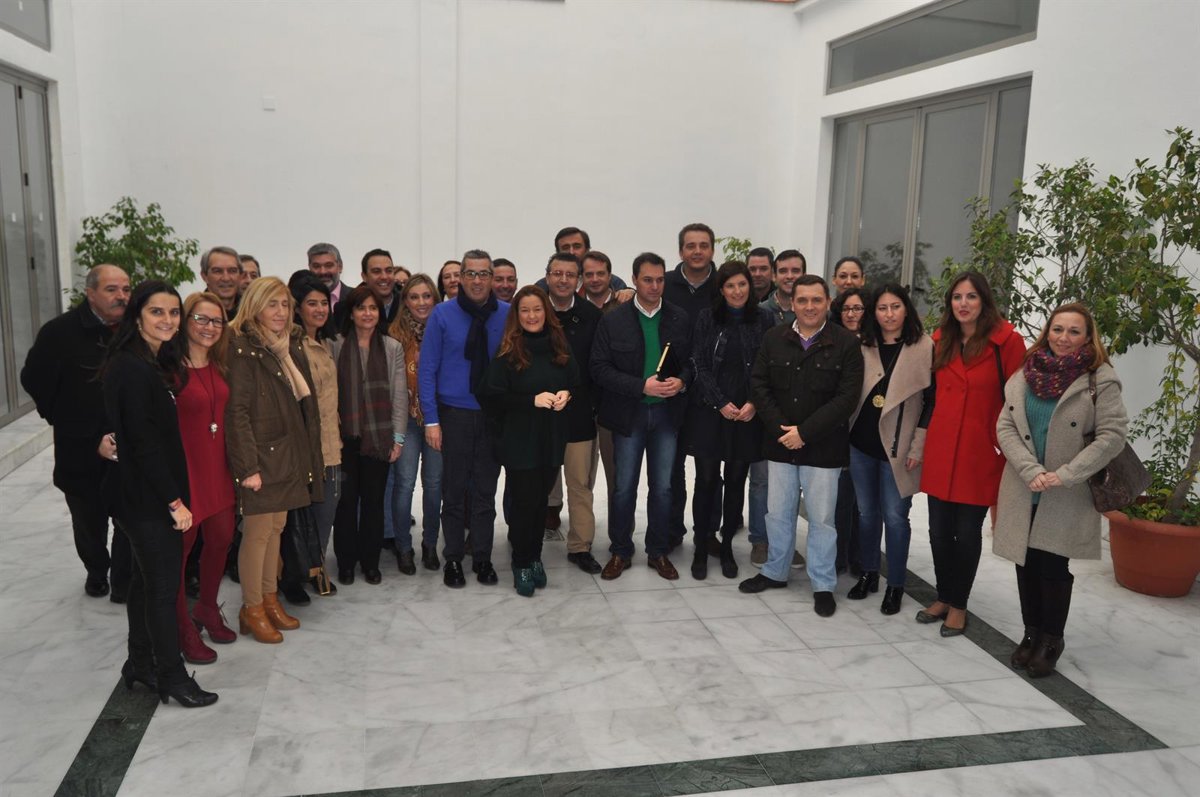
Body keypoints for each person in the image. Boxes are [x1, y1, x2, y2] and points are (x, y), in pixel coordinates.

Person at [995, 303, 1128, 677]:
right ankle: (1031, 632)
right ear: (1047, 332)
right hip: (1024, 484)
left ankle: (1051, 640)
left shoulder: (1099, 379)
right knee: (1025, 561)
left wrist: (1066, 475)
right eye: (1057, 329)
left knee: (1052, 565)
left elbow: (1112, 436)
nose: (1064, 338)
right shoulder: (1026, 371)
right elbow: (1005, 425)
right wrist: (1030, 469)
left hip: (1066, 489)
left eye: (1073, 331)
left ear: (1088, 337)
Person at [101, 280, 216, 707]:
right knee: (164, 592)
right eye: (156, 312)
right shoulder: (132, 368)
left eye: (172, 312)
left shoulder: (148, 361)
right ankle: (173, 677)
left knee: (144, 584)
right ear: (137, 316)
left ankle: (140, 663)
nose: (167, 320)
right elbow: (144, 444)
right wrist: (175, 502)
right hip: (147, 500)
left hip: (140, 496)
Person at [739, 275, 864, 619]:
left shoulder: (845, 343)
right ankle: (775, 571)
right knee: (777, 512)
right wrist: (784, 430)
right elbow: (759, 385)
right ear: (792, 303)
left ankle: (822, 584)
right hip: (780, 443)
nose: (810, 307)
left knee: (822, 519)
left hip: (824, 447)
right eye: (803, 300)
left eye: (816, 300)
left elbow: (846, 398)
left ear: (828, 303)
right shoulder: (774, 338)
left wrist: (804, 433)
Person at [917, 271, 1025, 636]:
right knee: (937, 531)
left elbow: (1019, 400)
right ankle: (943, 596)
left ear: (984, 301)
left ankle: (959, 604)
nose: (963, 304)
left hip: (981, 451)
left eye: (971, 297)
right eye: (957, 297)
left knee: (966, 533)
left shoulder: (1006, 342)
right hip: (942, 447)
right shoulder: (940, 340)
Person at [20, 264, 132, 601]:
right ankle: (97, 571)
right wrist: (62, 418)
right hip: (79, 446)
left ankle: (124, 577)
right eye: (112, 289)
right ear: (90, 293)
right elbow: (34, 379)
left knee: (129, 515)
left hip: (127, 443)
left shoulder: (134, 329)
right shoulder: (59, 332)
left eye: (126, 289)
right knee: (88, 518)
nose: (121, 296)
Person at [226, 277, 324, 644]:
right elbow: (236, 413)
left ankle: (269, 599)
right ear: (254, 306)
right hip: (261, 460)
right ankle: (251, 608)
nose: (281, 312)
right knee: (257, 534)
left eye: (285, 304)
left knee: (276, 529)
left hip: (285, 455)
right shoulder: (241, 348)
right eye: (272, 304)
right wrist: (247, 467)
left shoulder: (283, 345)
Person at [591, 252, 692, 581]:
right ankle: (620, 551)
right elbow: (599, 368)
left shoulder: (678, 318)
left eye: (660, 280)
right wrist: (640, 386)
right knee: (623, 488)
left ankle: (658, 551)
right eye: (647, 280)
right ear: (634, 280)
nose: (655, 286)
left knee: (662, 488)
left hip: (666, 415)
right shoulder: (614, 320)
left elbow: (692, 362)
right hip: (628, 415)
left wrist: (683, 381)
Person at [419, 250, 508, 587]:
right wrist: (431, 420)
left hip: (492, 415)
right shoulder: (442, 315)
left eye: (483, 274)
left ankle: (483, 558)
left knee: (485, 492)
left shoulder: (507, 314)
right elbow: (427, 369)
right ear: (460, 278)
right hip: (453, 415)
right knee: (453, 492)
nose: (476, 280)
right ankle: (453, 558)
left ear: (492, 278)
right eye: (470, 274)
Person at [482, 286, 579, 595]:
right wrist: (530, 401)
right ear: (516, 315)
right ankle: (521, 562)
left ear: (546, 312)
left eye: (537, 309)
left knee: (540, 504)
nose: (532, 315)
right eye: (525, 310)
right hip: (519, 441)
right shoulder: (508, 351)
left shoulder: (559, 345)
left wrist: (566, 394)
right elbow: (491, 397)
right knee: (524, 504)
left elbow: (574, 380)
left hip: (551, 438)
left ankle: (534, 557)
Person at [844, 284, 933, 615]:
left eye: (895, 306)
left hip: (899, 447)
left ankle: (895, 584)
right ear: (874, 313)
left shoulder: (923, 347)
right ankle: (869, 573)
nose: (889, 314)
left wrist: (918, 447)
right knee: (867, 514)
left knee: (896, 518)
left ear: (906, 309)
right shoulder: (863, 345)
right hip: (861, 445)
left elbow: (931, 402)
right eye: (882, 308)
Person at [686, 261, 774, 580]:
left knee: (737, 481)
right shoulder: (707, 317)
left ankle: (726, 550)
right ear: (721, 290)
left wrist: (753, 403)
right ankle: (700, 546)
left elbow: (768, 366)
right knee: (707, 480)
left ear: (750, 286)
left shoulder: (764, 318)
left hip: (747, 413)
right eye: (730, 286)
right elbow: (698, 363)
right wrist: (720, 401)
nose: (737, 291)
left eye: (742, 284)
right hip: (711, 411)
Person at [174, 292, 238, 664]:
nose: (209, 327)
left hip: (219, 469)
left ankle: (208, 608)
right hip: (186, 473)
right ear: (185, 321)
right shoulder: (169, 370)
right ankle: (183, 627)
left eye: (216, 321)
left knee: (221, 539)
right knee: (181, 553)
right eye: (201, 319)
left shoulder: (221, 364)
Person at [330, 286, 407, 585]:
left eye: (373, 308)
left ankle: (371, 563)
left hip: (379, 438)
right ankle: (346, 562)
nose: (367, 313)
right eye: (361, 308)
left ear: (380, 313)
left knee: (374, 503)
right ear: (351, 313)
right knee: (346, 503)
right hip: (343, 438)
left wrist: (398, 439)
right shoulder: (334, 344)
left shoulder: (392, 347)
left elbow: (399, 397)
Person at [543, 253, 604, 573]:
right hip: (538, 414)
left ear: (578, 280)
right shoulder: (533, 310)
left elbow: (598, 365)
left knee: (580, 484)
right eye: (557, 273)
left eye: (570, 275)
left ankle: (580, 546)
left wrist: (582, 398)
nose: (563, 280)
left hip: (579, 414)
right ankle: (527, 544)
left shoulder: (591, 316)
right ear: (547, 276)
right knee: (535, 483)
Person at [664, 223, 718, 550]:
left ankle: (707, 534)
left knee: (709, 471)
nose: (697, 251)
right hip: (672, 390)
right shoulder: (665, 284)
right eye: (690, 245)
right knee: (672, 470)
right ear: (681, 250)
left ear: (712, 249)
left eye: (703, 245)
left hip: (711, 394)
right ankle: (672, 531)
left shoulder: (723, 285)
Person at [387, 274, 444, 572]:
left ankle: (430, 545)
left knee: (434, 485)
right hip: (405, 420)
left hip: (438, 420)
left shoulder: (445, 328)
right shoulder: (393, 335)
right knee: (404, 484)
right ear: (405, 302)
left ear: (435, 297)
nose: (421, 302)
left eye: (426, 296)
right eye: (414, 297)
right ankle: (403, 547)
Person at [289, 272, 341, 595]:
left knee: (326, 512)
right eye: (312, 303)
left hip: (331, 443)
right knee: (301, 516)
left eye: (324, 303)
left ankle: (316, 570)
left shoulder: (326, 343)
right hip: (305, 446)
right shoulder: (292, 346)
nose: (320, 309)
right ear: (298, 308)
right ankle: (293, 577)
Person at [831, 287, 867, 575]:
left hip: (866, 429)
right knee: (841, 499)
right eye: (847, 309)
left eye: (858, 308)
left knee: (862, 502)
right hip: (836, 428)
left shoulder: (875, 344)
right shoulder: (832, 341)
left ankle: (859, 557)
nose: (852, 314)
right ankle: (838, 557)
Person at [762, 249, 806, 327]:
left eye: (795, 271)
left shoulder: (814, 312)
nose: (789, 276)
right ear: (774, 276)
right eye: (783, 271)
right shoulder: (760, 312)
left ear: (804, 276)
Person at [200, 246, 242, 319]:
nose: (226, 278)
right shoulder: (194, 313)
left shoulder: (252, 314)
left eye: (232, 271)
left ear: (240, 276)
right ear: (204, 276)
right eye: (217, 271)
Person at [308, 242, 350, 309]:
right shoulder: (298, 300)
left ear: (340, 267)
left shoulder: (357, 298)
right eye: (316, 266)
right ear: (309, 268)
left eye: (329, 265)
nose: (322, 272)